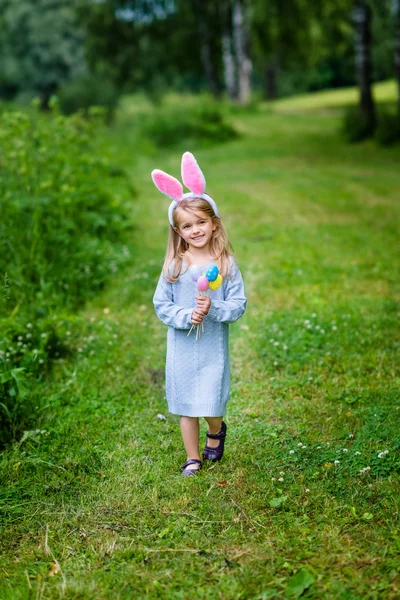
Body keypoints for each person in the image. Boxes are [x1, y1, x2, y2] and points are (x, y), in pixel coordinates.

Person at [152, 152, 247, 476]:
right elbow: (161, 304)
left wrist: (214, 308)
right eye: (187, 226)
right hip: (182, 348)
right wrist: (185, 315)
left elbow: (238, 304)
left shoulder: (224, 265)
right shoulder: (175, 267)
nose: (195, 230)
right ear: (177, 231)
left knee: (211, 401)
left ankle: (216, 430)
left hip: (211, 349)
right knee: (185, 404)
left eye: (201, 223)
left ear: (214, 223)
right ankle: (192, 457)